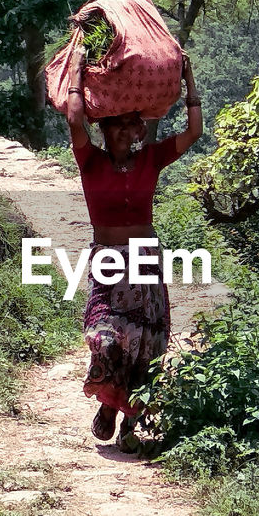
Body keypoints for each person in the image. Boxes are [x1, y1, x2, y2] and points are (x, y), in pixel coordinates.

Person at [66, 45, 203, 450]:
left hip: (144, 262)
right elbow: (75, 117)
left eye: (131, 125)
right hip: (108, 261)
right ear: (105, 131)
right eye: (117, 126)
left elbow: (193, 132)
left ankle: (129, 421)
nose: (124, 132)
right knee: (106, 336)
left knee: (147, 342)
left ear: (139, 130)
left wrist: (188, 79)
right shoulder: (90, 161)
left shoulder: (151, 160)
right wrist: (77, 67)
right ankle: (109, 402)